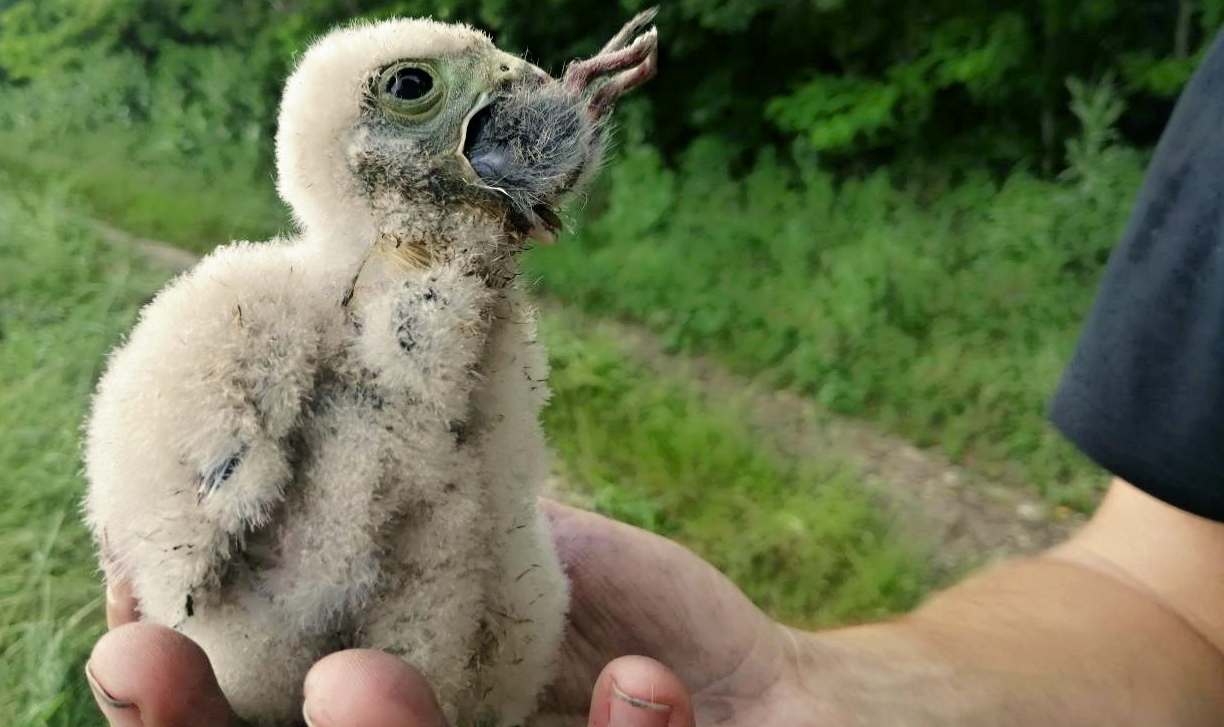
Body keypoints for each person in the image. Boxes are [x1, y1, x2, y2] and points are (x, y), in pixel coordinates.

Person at [83, 33, 1224, 727]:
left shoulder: (473, 303)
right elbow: (1172, 600)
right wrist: (802, 689)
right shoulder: (250, 311)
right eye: (426, 89)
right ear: (341, 142)